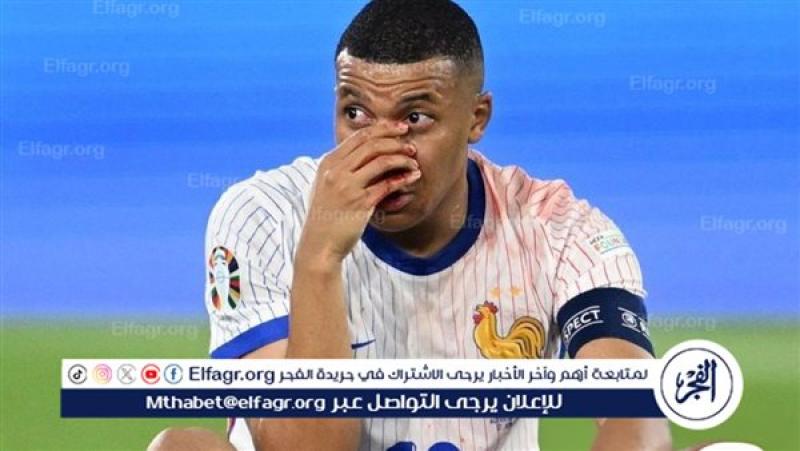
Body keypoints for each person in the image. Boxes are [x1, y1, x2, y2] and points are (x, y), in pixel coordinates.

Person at [150, 1, 671, 449]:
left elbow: (635, 416)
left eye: (415, 119)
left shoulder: (560, 230)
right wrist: (319, 259)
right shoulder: (263, 216)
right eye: (355, 114)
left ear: (477, 118)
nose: (381, 153)